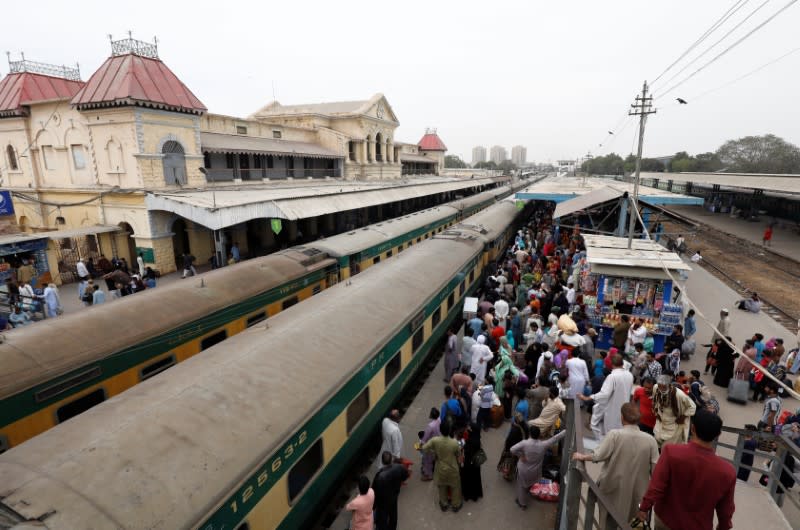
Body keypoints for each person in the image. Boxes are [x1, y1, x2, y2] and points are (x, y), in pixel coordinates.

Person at [637, 410, 736, 530]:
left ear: (693, 429)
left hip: (666, 520)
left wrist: (644, 508)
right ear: (718, 434)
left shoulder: (671, 452)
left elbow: (656, 486)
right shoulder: (727, 472)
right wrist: (724, 526)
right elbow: (726, 510)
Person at [573, 403, 659, 527]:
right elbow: (655, 471)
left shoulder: (615, 435)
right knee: (629, 523)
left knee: (607, 521)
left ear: (622, 417)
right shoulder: (651, 440)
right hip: (637, 494)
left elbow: (598, 455)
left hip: (612, 488)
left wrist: (582, 457)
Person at [511, 424, 567, 510]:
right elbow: (555, 438)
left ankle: (522, 503)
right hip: (535, 471)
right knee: (529, 483)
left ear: (530, 434)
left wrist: (520, 455)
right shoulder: (543, 445)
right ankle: (526, 492)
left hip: (523, 470)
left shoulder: (525, 443)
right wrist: (565, 431)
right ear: (539, 435)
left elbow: (512, 449)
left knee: (522, 486)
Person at [579, 354, 634, 441]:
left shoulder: (612, 377)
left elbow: (604, 394)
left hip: (612, 410)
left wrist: (588, 398)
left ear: (612, 365)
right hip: (623, 409)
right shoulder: (629, 375)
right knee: (618, 433)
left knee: (608, 433)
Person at [421, 421, 463, 512]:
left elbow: (424, 448)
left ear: (440, 430)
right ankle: (455, 505)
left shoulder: (435, 440)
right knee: (455, 487)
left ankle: (444, 504)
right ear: (449, 431)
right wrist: (460, 465)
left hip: (440, 468)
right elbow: (459, 456)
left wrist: (433, 454)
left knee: (442, 487)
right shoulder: (454, 443)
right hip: (452, 469)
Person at [652, 375, 697, 448]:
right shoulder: (656, 388)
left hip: (674, 424)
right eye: (659, 386)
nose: (661, 389)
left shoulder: (679, 394)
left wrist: (683, 417)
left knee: (668, 447)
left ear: (669, 385)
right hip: (661, 422)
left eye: (663, 387)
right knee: (656, 440)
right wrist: (656, 412)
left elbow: (692, 406)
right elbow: (655, 400)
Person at [372, 451, 409, 530]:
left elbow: (374, 491)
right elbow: (406, 475)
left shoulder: (379, 476)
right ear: (391, 459)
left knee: (382, 519)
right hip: (394, 496)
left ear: (382, 462)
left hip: (383, 502)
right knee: (393, 516)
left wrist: (374, 505)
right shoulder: (399, 467)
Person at [460, 422, 484, 502]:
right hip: (476, 462)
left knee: (467, 478)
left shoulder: (468, 440)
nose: (468, 429)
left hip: (468, 462)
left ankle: (467, 495)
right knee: (475, 479)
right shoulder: (477, 438)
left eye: (469, 428)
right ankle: (475, 496)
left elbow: (463, 449)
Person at [419, 408, 440, 481]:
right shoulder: (439, 420)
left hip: (431, 445)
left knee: (427, 460)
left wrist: (421, 445)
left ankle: (429, 475)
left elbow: (425, 437)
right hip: (438, 442)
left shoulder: (430, 426)